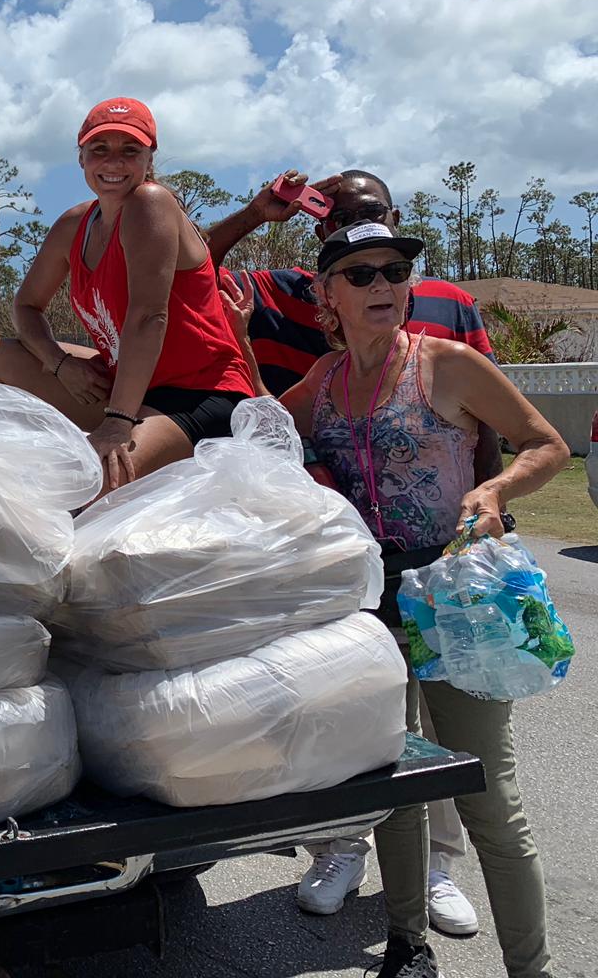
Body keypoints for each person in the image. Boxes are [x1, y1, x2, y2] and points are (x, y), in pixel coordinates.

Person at [221, 223, 567, 978]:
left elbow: (547, 444)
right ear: (328, 295)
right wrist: (242, 342)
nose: (383, 284)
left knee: (487, 794)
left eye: (395, 270)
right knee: (395, 785)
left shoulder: (448, 364)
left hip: (454, 597)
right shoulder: (329, 380)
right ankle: (407, 947)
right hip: (370, 609)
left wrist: (496, 486)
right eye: (361, 273)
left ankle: (531, 969)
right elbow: (272, 429)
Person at [207, 169, 498, 930]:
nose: (378, 280)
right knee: (357, 715)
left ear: (398, 228)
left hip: (444, 556)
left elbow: (489, 425)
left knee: (445, 726)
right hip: (341, 559)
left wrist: (493, 521)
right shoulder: (282, 295)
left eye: (388, 254)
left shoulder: (448, 308)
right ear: (324, 260)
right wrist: (252, 212)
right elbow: (188, 273)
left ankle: (439, 865)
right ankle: (341, 847)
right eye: (342, 233)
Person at [0, 97, 255, 494]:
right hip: (127, 384)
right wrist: (59, 364)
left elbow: (149, 316)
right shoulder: (76, 223)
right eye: (99, 150)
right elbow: (26, 306)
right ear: (82, 159)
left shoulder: (150, 202)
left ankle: (128, 442)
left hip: (199, 394)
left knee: (94, 484)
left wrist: (117, 423)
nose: (113, 163)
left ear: (149, 158)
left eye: (130, 151)